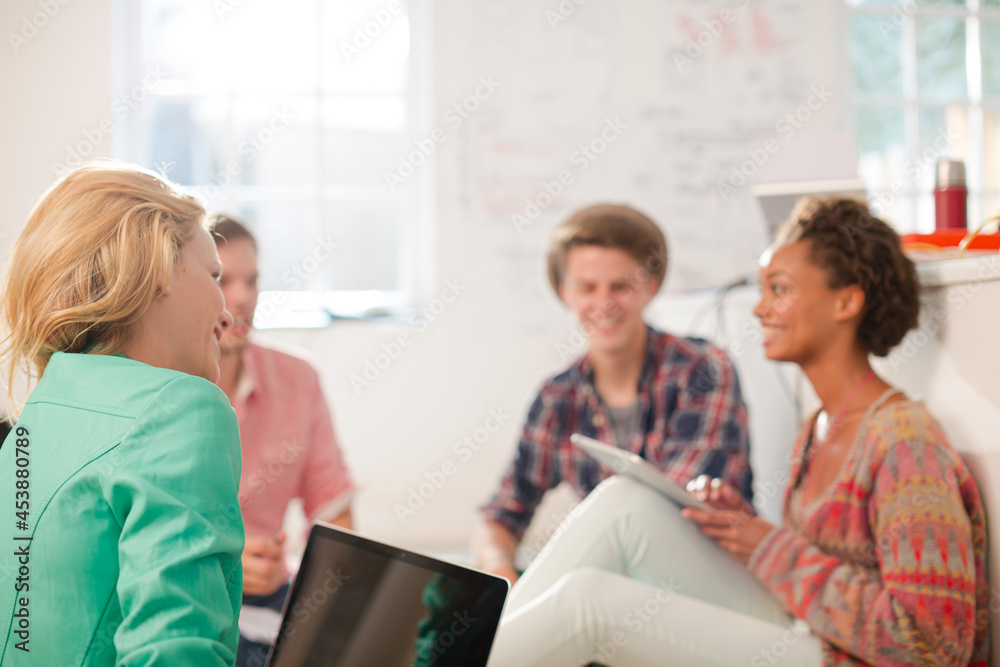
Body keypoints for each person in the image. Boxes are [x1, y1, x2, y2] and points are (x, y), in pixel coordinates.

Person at [485, 196, 989, 666]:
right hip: (806, 630)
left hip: (838, 657)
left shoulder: (905, 445)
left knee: (587, 600)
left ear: (845, 303)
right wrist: (744, 526)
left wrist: (768, 545)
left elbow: (935, 645)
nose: (759, 307)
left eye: (780, 289)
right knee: (622, 501)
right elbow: (815, 569)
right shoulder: (820, 426)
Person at [0, 162, 244, 665]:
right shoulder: (182, 406)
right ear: (159, 269)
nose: (227, 312)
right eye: (214, 275)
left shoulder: (42, 411)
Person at [473, 203, 754, 583]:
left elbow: (660, 515)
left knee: (621, 502)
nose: (604, 304)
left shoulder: (703, 369)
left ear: (650, 287)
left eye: (621, 286)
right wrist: (500, 573)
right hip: (611, 583)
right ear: (564, 292)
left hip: (710, 580)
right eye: (588, 287)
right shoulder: (558, 395)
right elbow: (501, 514)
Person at [209, 216, 356, 666]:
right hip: (196, 592)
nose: (242, 298)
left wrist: (319, 598)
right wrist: (225, 566)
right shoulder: (159, 388)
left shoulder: (298, 379)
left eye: (251, 281)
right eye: (220, 280)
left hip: (276, 594)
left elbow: (335, 521)